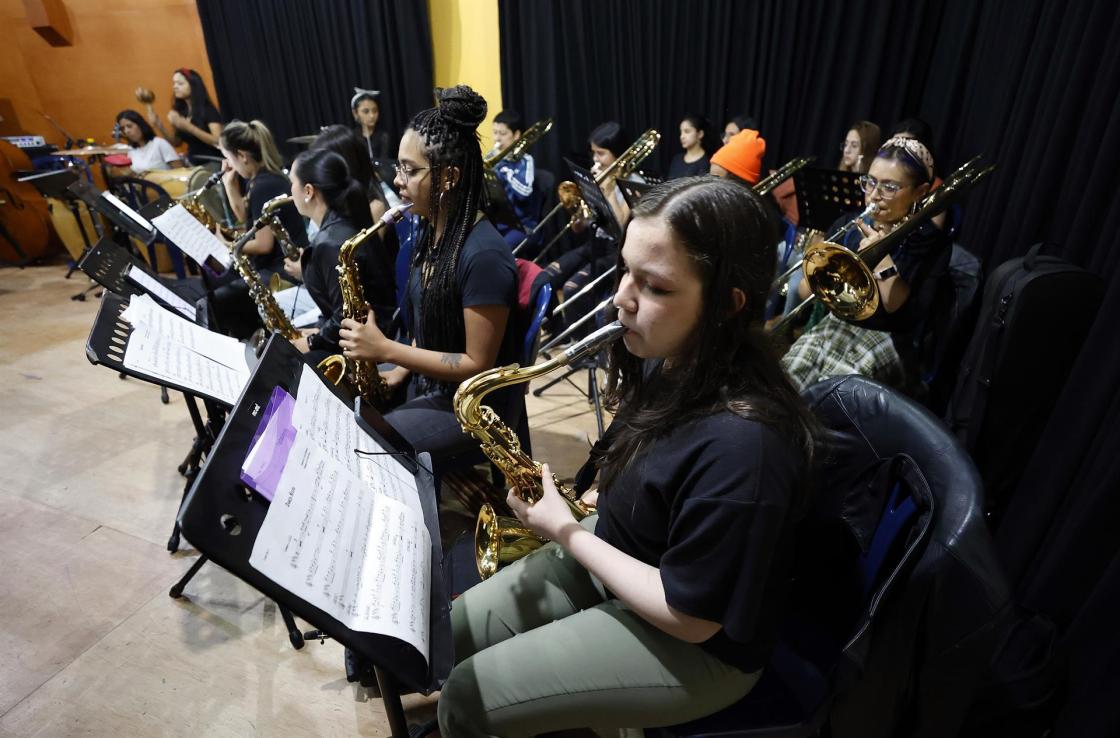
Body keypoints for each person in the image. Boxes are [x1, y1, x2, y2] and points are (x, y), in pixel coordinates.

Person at [436, 176, 819, 736]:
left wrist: (567, 532)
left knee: (465, 701)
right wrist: (596, 496)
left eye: (656, 287)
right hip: (618, 558)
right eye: (625, 270)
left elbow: (689, 619)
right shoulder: (671, 357)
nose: (622, 297)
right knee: (447, 636)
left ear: (728, 305)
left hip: (693, 641)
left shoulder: (747, 447)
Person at [337, 85, 523, 472]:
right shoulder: (432, 230)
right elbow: (434, 321)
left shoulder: (484, 255)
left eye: (410, 169)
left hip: (473, 408)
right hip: (433, 388)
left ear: (450, 176)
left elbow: (476, 364)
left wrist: (387, 350)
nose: (398, 181)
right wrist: (400, 369)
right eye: (398, 167)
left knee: (367, 449)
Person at [782, 136, 948, 392]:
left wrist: (880, 254)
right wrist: (818, 267)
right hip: (837, 325)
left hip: (888, 338)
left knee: (829, 395)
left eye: (889, 187)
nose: (873, 195)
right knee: (785, 380)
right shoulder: (848, 225)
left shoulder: (929, 243)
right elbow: (804, 292)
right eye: (870, 182)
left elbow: (900, 311)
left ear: (920, 192)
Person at [283, 148, 397, 364]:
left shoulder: (329, 244)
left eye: (292, 183)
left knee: (289, 361)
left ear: (308, 191)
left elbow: (345, 316)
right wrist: (318, 329)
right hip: (372, 332)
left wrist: (312, 342)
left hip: (369, 346)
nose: (290, 191)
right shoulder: (344, 220)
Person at [208, 119, 307, 338]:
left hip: (284, 269)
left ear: (242, 156)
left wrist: (225, 243)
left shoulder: (264, 185)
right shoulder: (260, 180)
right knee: (220, 283)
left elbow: (262, 245)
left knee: (220, 297)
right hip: (276, 264)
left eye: (228, 157)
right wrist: (229, 184)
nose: (227, 164)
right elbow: (249, 220)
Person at [138, 68, 223, 165]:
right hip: (193, 162)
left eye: (180, 84)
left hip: (213, 161)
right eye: (174, 83)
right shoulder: (181, 112)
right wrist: (159, 125)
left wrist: (187, 126)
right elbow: (176, 142)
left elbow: (217, 141)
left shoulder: (208, 110)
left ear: (193, 86)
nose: (175, 87)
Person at [488, 110, 544, 249]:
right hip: (499, 221)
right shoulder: (491, 156)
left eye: (503, 133)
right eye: (495, 132)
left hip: (522, 226)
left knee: (499, 251)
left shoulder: (525, 160)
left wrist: (505, 170)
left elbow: (524, 192)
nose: (497, 138)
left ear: (516, 135)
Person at [114, 110, 183, 173]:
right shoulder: (131, 151)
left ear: (140, 125)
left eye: (129, 126)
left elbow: (180, 171)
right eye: (123, 129)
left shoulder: (159, 143)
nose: (126, 131)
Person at [351, 88, 392, 163]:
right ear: (355, 113)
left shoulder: (383, 136)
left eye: (375, 111)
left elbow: (384, 161)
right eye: (366, 111)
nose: (372, 115)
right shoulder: (352, 137)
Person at [667, 113, 711, 179]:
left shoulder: (706, 163)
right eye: (681, 132)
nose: (682, 136)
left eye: (687, 131)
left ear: (700, 134)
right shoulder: (677, 159)